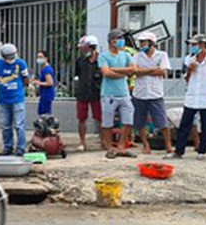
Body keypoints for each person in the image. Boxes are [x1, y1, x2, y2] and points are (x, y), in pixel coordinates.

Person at [167, 34, 206, 160]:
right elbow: (186, 79)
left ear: (202, 45)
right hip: (192, 96)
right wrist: (190, 70)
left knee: (205, 125)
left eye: (194, 44)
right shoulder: (189, 59)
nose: (192, 47)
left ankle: (202, 151)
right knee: (185, 125)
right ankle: (179, 151)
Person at [131, 32, 173, 154]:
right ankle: (145, 145)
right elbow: (134, 71)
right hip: (140, 93)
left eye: (143, 42)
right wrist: (153, 69)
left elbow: (162, 72)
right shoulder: (137, 56)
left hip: (156, 94)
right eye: (140, 42)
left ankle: (168, 145)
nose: (141, 44)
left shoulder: (161, 55)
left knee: (162, 122)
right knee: (140, 122)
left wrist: (143, 71)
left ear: (151, 43)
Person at [98, 29, 136, 158]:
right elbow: (106, 73)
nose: (121, 41)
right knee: (107, 122)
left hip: (124, 93)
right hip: (109, 94)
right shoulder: (103, 56)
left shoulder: (126, 55)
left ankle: (121, 146)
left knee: (128, 121)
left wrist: (116, 70)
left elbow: (133, 70)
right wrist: (124, 72)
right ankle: (109, 147)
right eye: (119, 38)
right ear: (112, 41)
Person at [0, 43, 29, 156]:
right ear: (3, 56)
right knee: (6, 125)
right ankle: (8, 147)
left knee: (19, 125)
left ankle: (21, 148)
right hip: (4, 99)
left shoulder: (21, 63)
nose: (11, 59)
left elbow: (26, 79)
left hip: (17, 98)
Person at [74, 35, 103, 151]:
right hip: (83, 93)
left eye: (84, 47)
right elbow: (77, 75)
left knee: (100, 118)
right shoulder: (80, 61)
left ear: (91, 47)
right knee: (81, 118)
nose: (81, 50)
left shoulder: (101, 60)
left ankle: (103, 141)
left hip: (97, 93)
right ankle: (82, 142)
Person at [30, 50, 55, 116]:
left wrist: (38, 82)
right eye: (38, 57)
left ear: (46, 58)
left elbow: (50, 83)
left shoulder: (46, 70)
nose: (39, 59)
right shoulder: (44, 69)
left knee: (44, 113)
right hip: (44, 93)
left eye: (41, 57)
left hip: (46, 94)